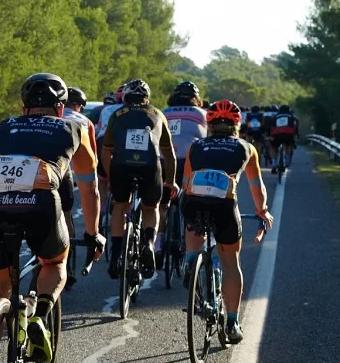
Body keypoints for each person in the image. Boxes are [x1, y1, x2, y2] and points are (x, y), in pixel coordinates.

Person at [0, 73, 103, 363]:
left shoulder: (4, 125)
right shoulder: (77, 126)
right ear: (61, 108)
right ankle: (40, 313)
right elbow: (89, 188)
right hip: (41, 202)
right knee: (54, 263)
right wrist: (92, 231)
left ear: (24, 108)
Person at [180, 100, 273, 343]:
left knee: (193, 217)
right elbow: (257, 186)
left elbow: (185, 183)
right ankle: (232, 321)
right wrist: (262, 210)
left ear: (209, 124)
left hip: (194, 203)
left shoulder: (196, 146)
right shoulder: (247, 148)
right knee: (230, 262)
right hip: (224, 205)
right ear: (237, 125)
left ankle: (191, 260)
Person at [100, 78, 177, 278]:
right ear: (147, 98)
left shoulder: (117, 114)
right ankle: (149, 244)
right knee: (151, 207)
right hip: (150, 167)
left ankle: (116, 253)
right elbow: (169, 155)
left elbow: (106, 152)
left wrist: (109, 178)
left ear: (125, 97)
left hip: (121, 167)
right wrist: (170, 181)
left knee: (119, 205)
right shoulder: (158, 114)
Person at [161, 81, 208, 265]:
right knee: (193, 208)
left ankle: (157, 244)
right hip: (192, 162)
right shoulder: (203, 114)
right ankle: (191, 257)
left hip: (164, 161)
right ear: (195, 98)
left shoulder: (164, 112)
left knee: (160, 205)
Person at [58, 86, 97, 283]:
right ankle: (68, 262)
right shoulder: (84, 121)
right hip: (65, 171)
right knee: (65, 214)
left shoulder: (51, 113)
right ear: (79, 106)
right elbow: (91, 160)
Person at [270, 103, 299, 168]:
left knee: (272, 147)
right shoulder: (291, 116)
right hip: (288, 134)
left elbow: (272, 127)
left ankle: (274, 163)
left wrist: (270, 135)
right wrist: (296, 135)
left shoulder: (275, 116)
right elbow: (294, 127)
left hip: (277, 134)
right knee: (288, 144)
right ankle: (287, 161)